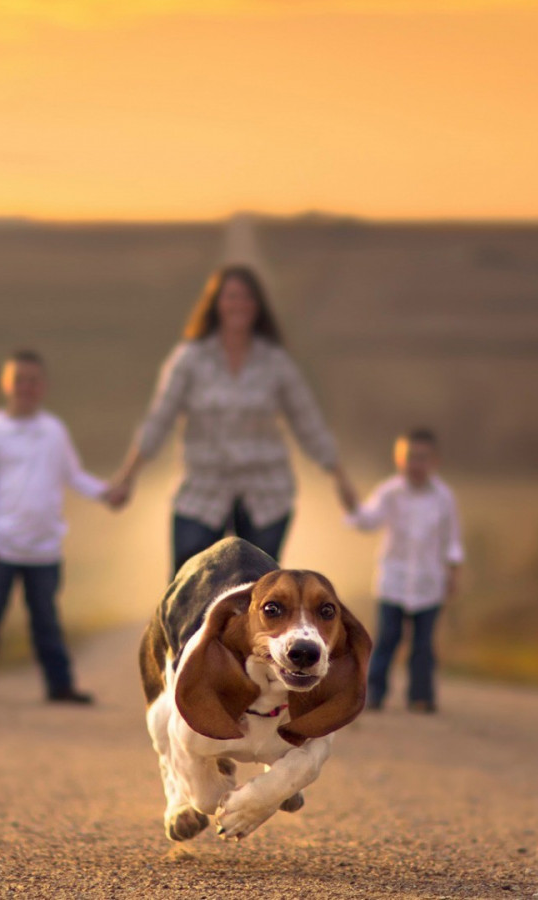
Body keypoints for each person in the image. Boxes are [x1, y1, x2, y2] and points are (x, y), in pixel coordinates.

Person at [106, 265, 355, 573]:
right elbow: (159, 418)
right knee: (189, 589)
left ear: (258, 305)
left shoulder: (275, 362)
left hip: (265, 491)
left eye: (248, 297)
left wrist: (340, 478)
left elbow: (308, 422)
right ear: (216, 304)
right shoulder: (190, 359)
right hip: (202, 487)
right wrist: (128, 476)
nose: (239, 305)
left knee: (261, 595)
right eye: (231, 297)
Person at [0, 350, 111, 706]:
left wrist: (106, 493)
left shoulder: (54, 431)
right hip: (1, 548)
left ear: (43, 386)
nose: (26, 387)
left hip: (44, 549)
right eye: (19, 379)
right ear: (5, 384)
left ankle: (60, 686)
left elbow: (73, 474)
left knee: (47, 622)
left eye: (33, 380)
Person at [344, 428, 464, 713]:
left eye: (422, 458)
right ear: (399, 459)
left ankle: (420, 696)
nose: (416, 464)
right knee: (387, 638)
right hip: (393, 581)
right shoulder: (389, 492)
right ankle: (372, 693)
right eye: (410, 457)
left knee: (423, 645)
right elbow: (368, 519)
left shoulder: (444, 497)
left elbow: (452, 539)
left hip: (428, 582)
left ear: (434, 461)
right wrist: (350, 503)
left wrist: (453, 573)